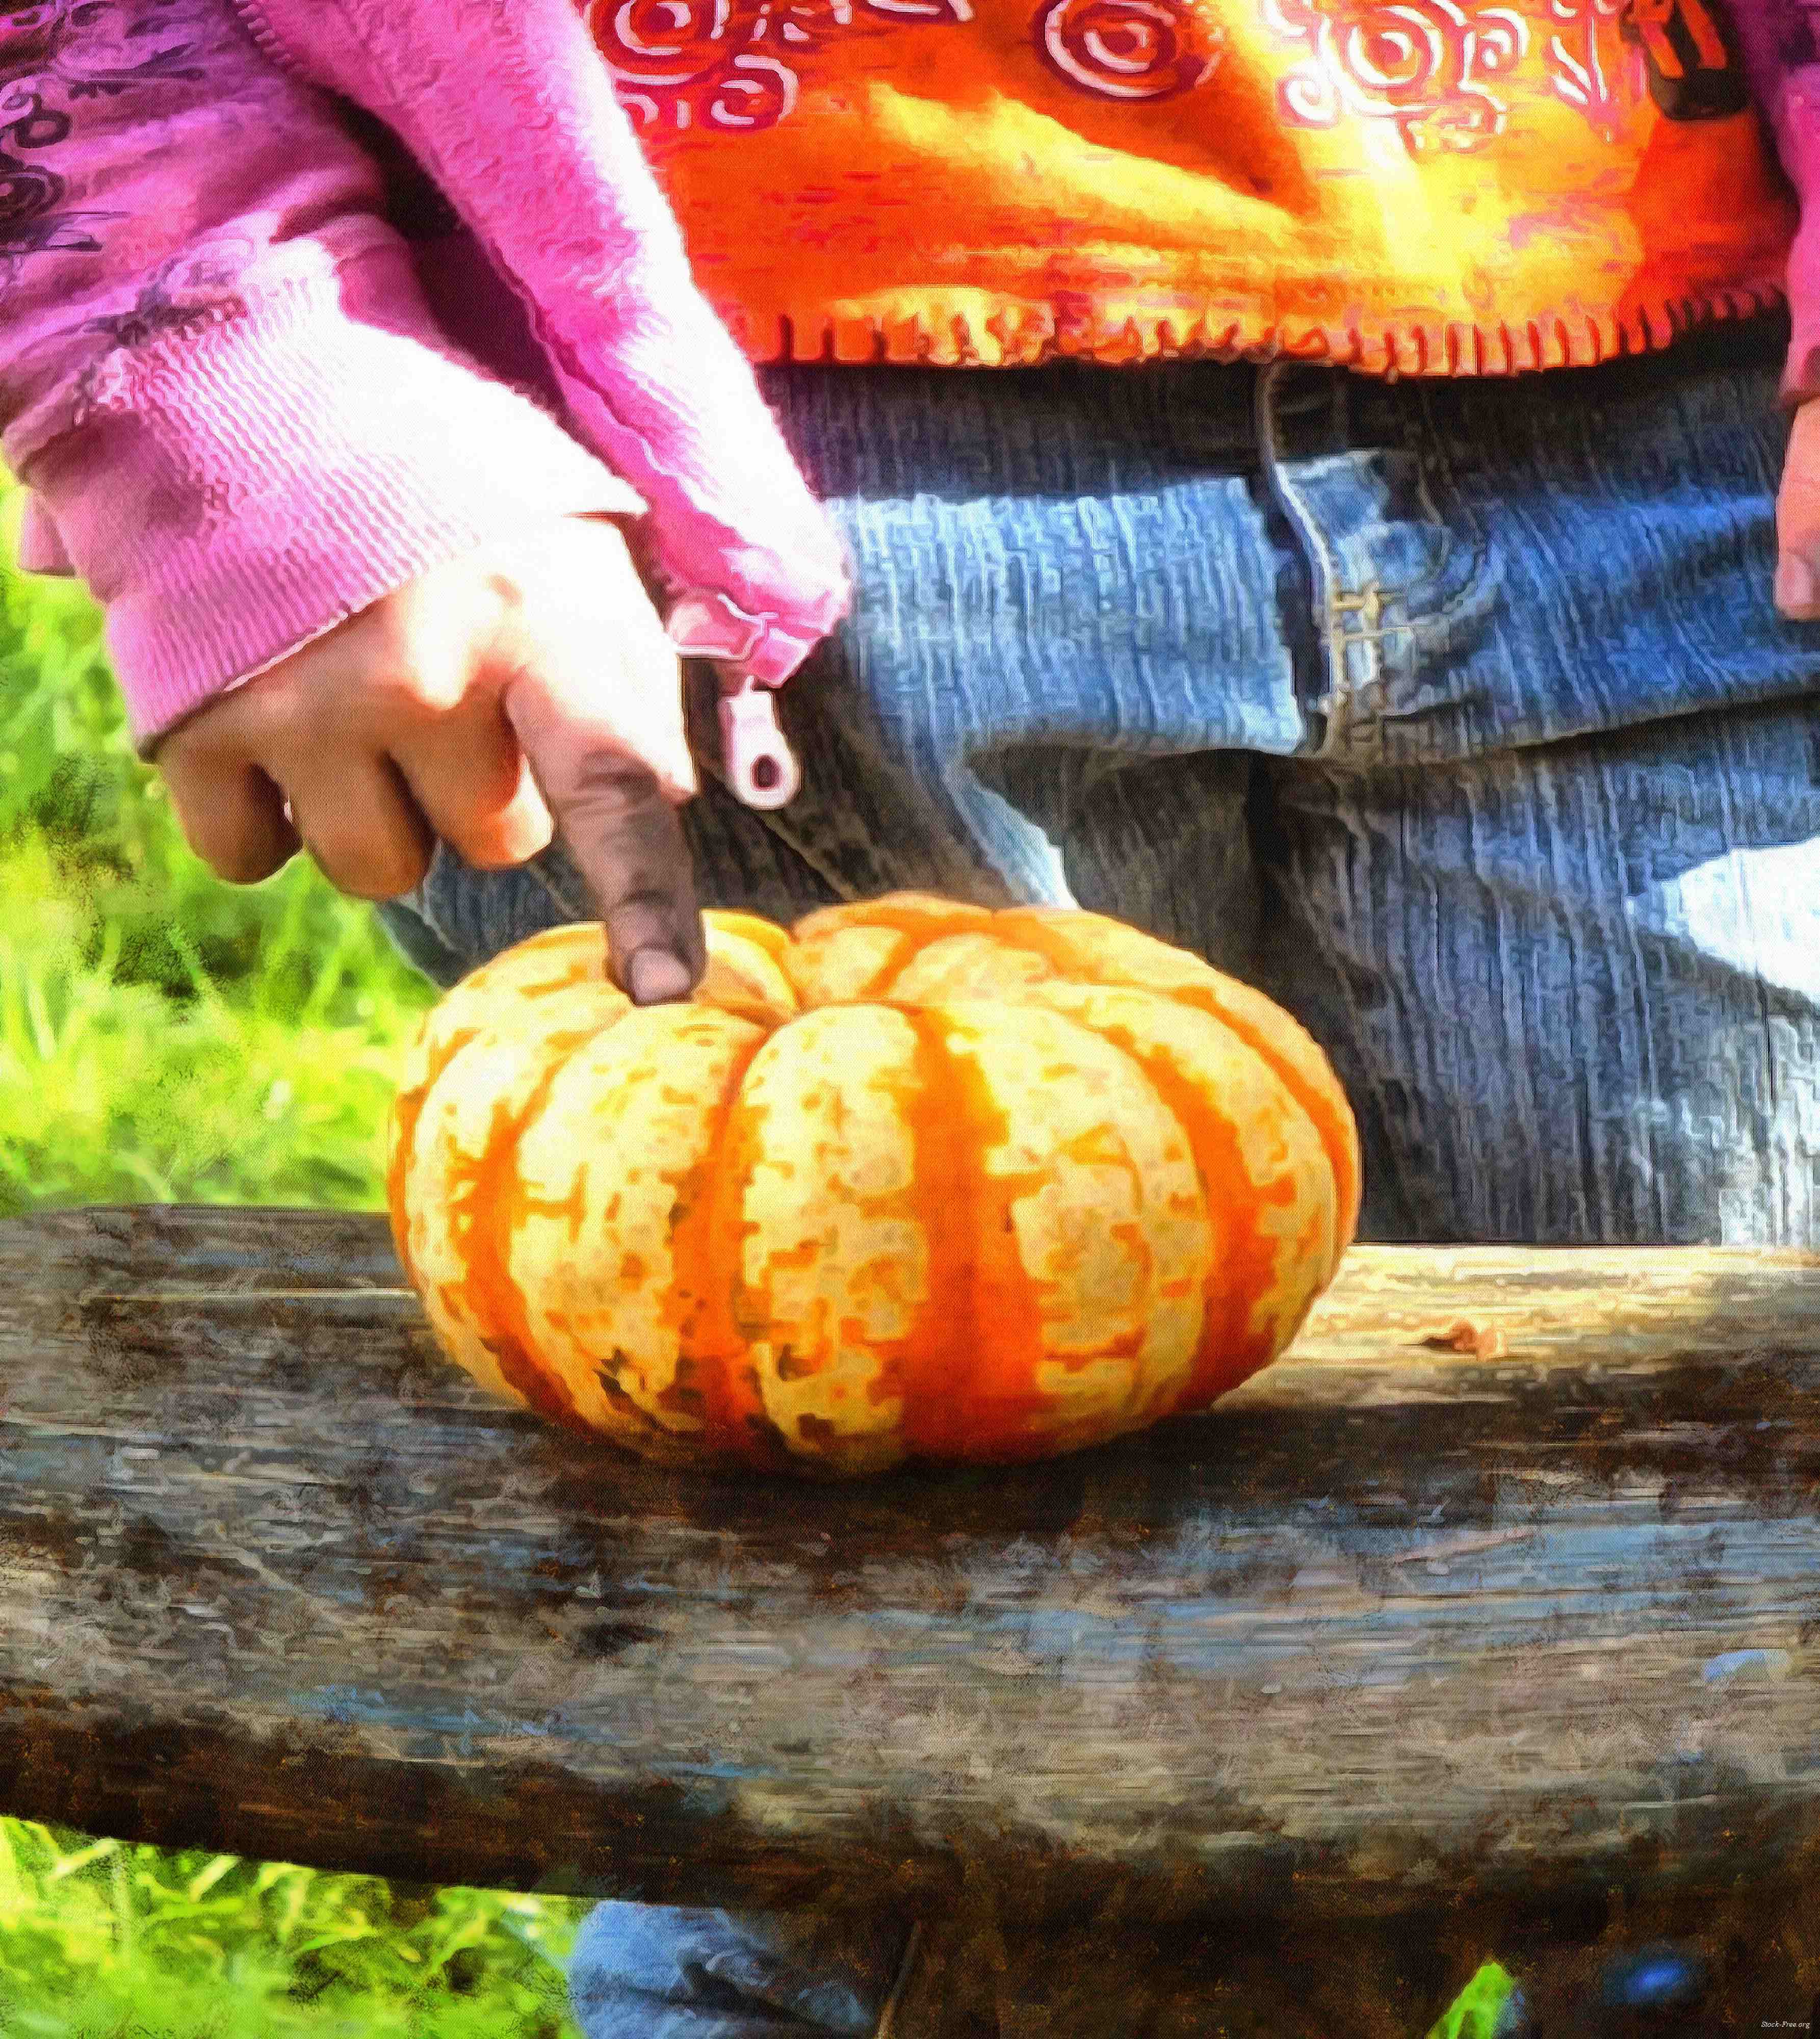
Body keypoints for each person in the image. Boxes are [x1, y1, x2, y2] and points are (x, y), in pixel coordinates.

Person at [4, 0, 1820, 2028]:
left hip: (1686, 425)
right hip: (694, 489)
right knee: (947, 1829)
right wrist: (231, 364)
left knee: (1733, 1695)